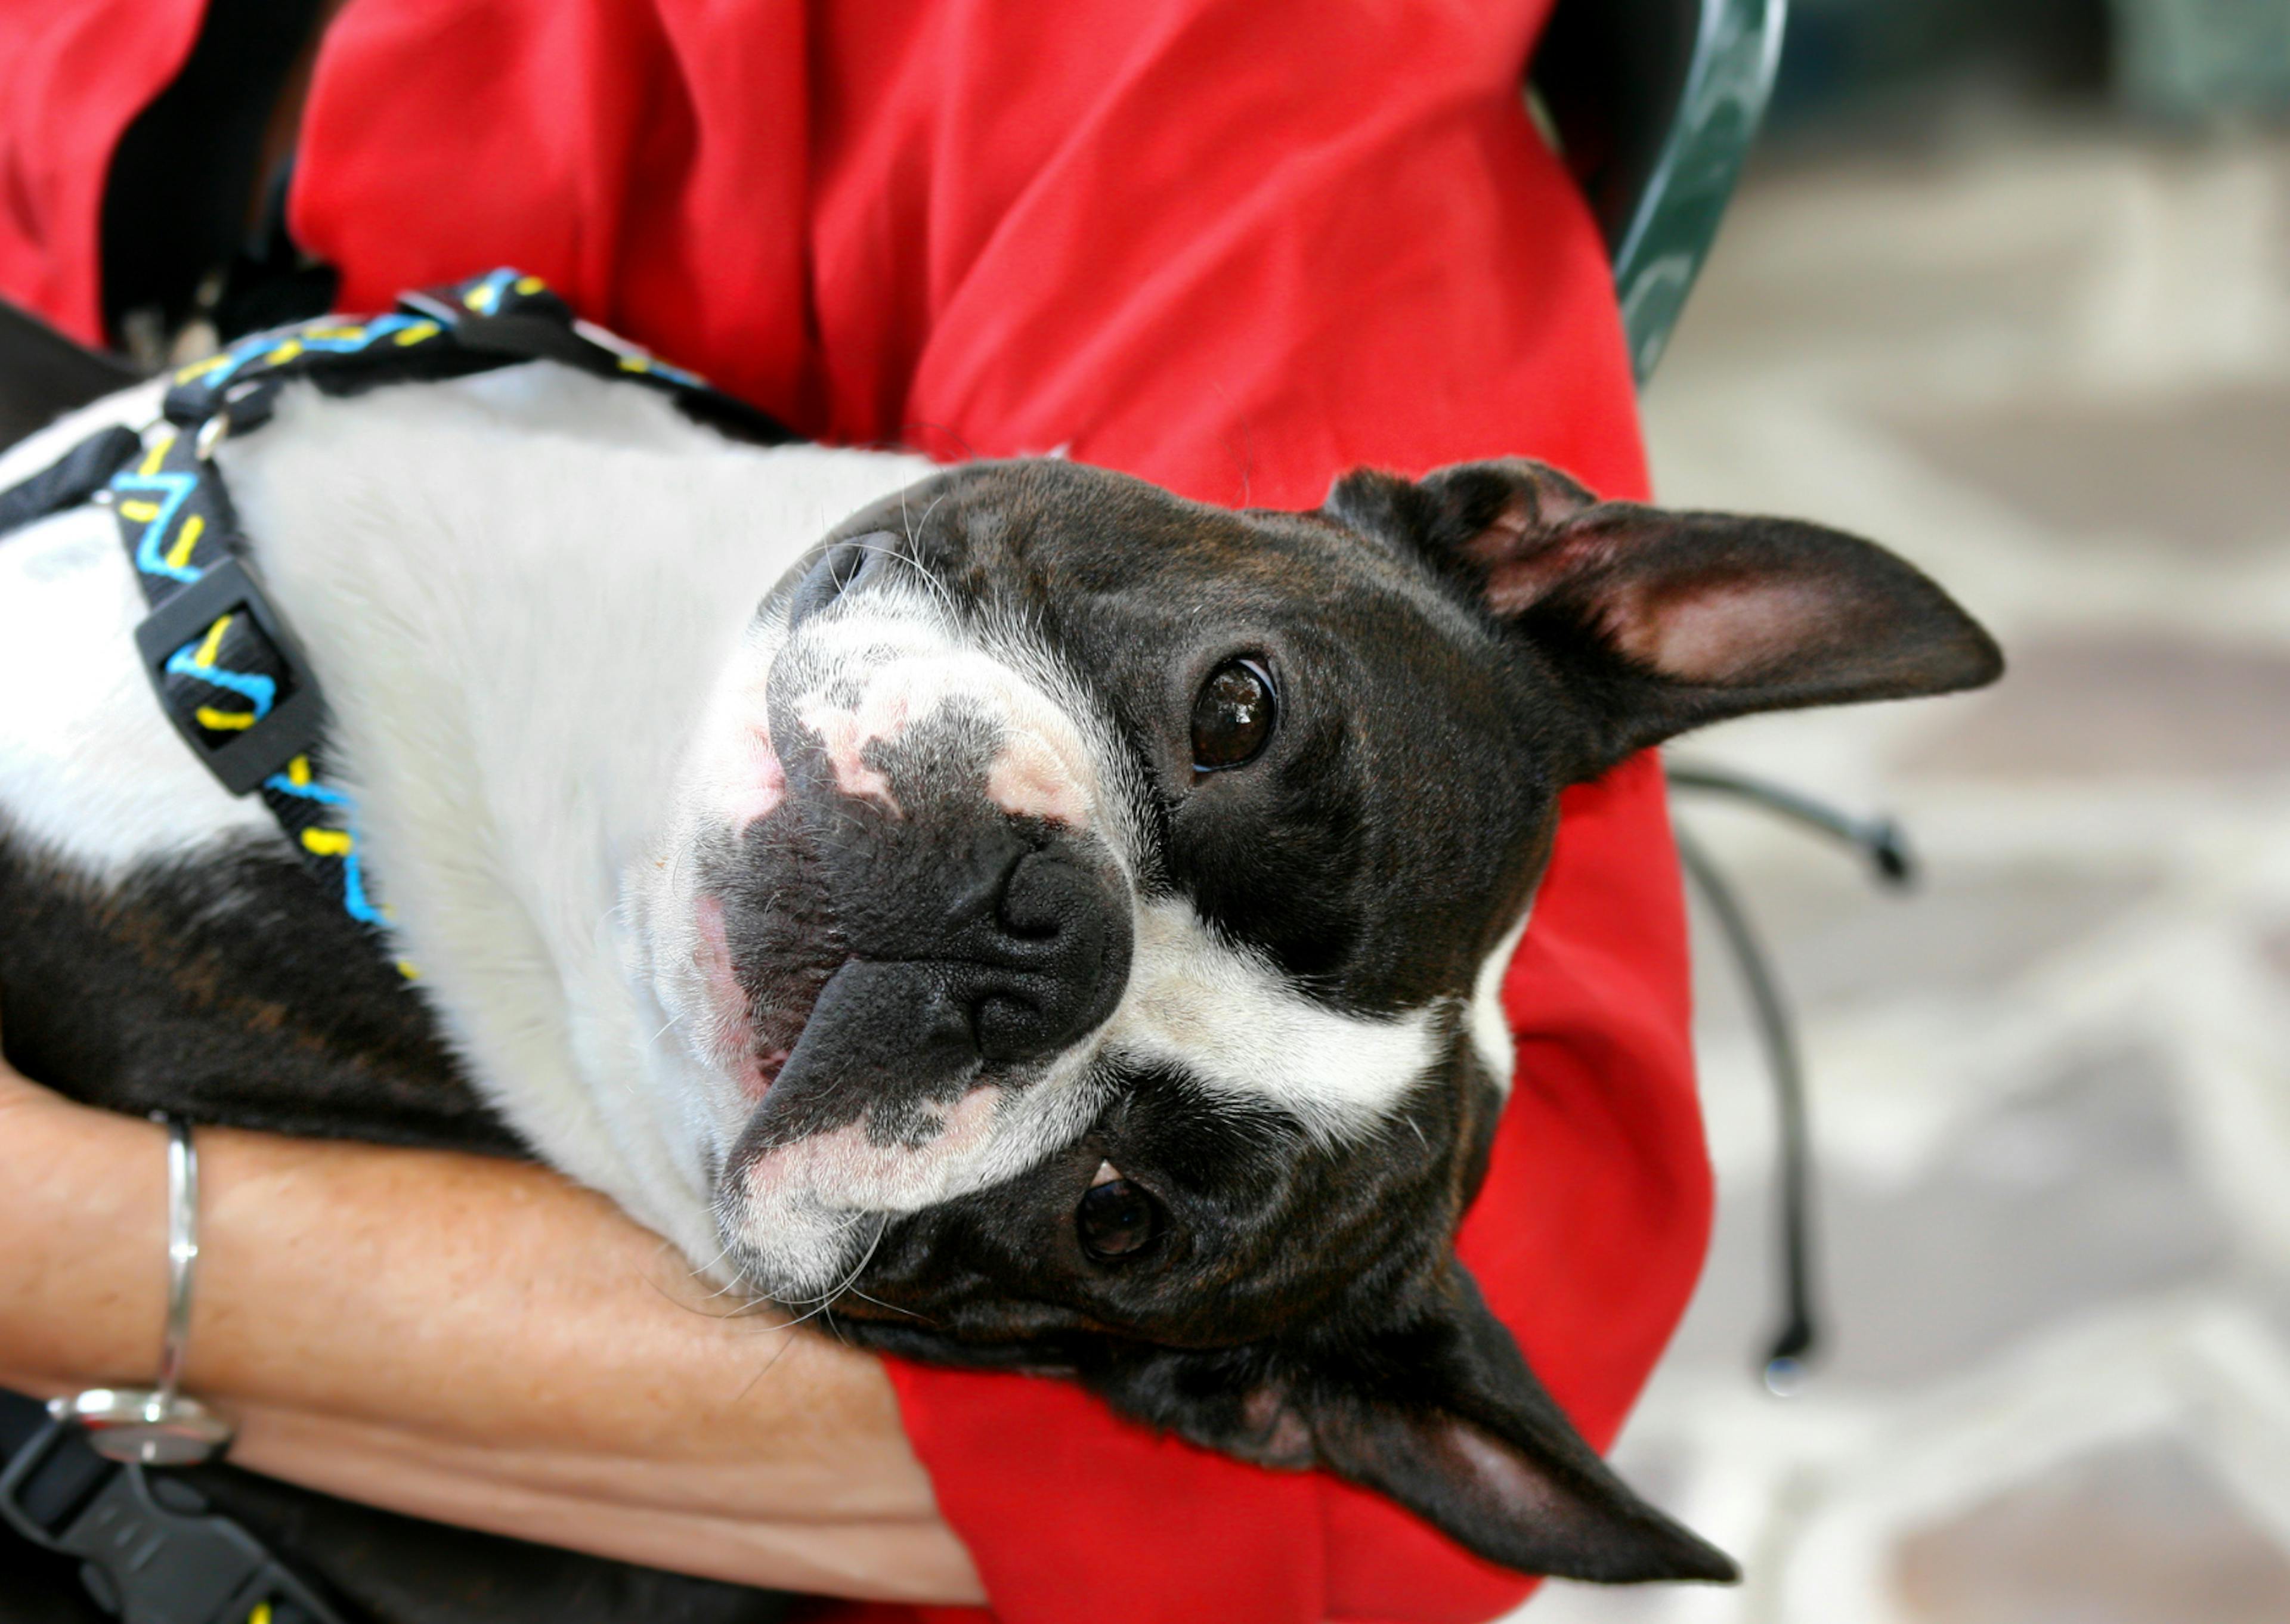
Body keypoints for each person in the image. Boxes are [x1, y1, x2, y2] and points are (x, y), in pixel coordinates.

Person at [0, 2, 1716, 1619]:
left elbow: (1544, 1277)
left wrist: (80, 1244)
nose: (1015, 961)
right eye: (1233, 720)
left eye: (1122, 1204)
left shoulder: (1200, 88)